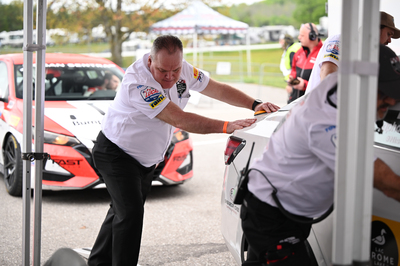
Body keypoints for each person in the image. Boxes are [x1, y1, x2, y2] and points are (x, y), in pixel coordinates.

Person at [87, 35, 280, 266]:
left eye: (175, 70)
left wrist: (254, 104)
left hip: (144, 160)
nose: (169, 77)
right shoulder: (137, 83)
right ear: (150, 62)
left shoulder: (183, 69)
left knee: (121, 212)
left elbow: (217, 89)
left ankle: (97, 262)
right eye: (162, 71)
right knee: (130, 216)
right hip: (117, 154)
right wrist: (227, 126)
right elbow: (179, 118)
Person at [240, 44, 400, 266]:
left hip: (280, 209)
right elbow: (386, 182)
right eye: (384, 93)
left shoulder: (342, 84)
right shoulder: (326, 119)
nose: (391, 101)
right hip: (272, 215)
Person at [306, 11, 400, 94]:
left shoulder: (367, 54)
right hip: (317, 111)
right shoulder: (341, 41)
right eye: (388, 35)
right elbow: (328, 77)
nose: (389, 41)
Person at [286, 23, 323, 103]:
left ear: (312, 36)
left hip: (313, 103)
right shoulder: (299, 53)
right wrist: (291, 80)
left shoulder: (323, 54)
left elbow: (325, 84)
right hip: (295, 101)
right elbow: (293, 70)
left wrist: (305, 85)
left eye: (302, 35)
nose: (299, 38)